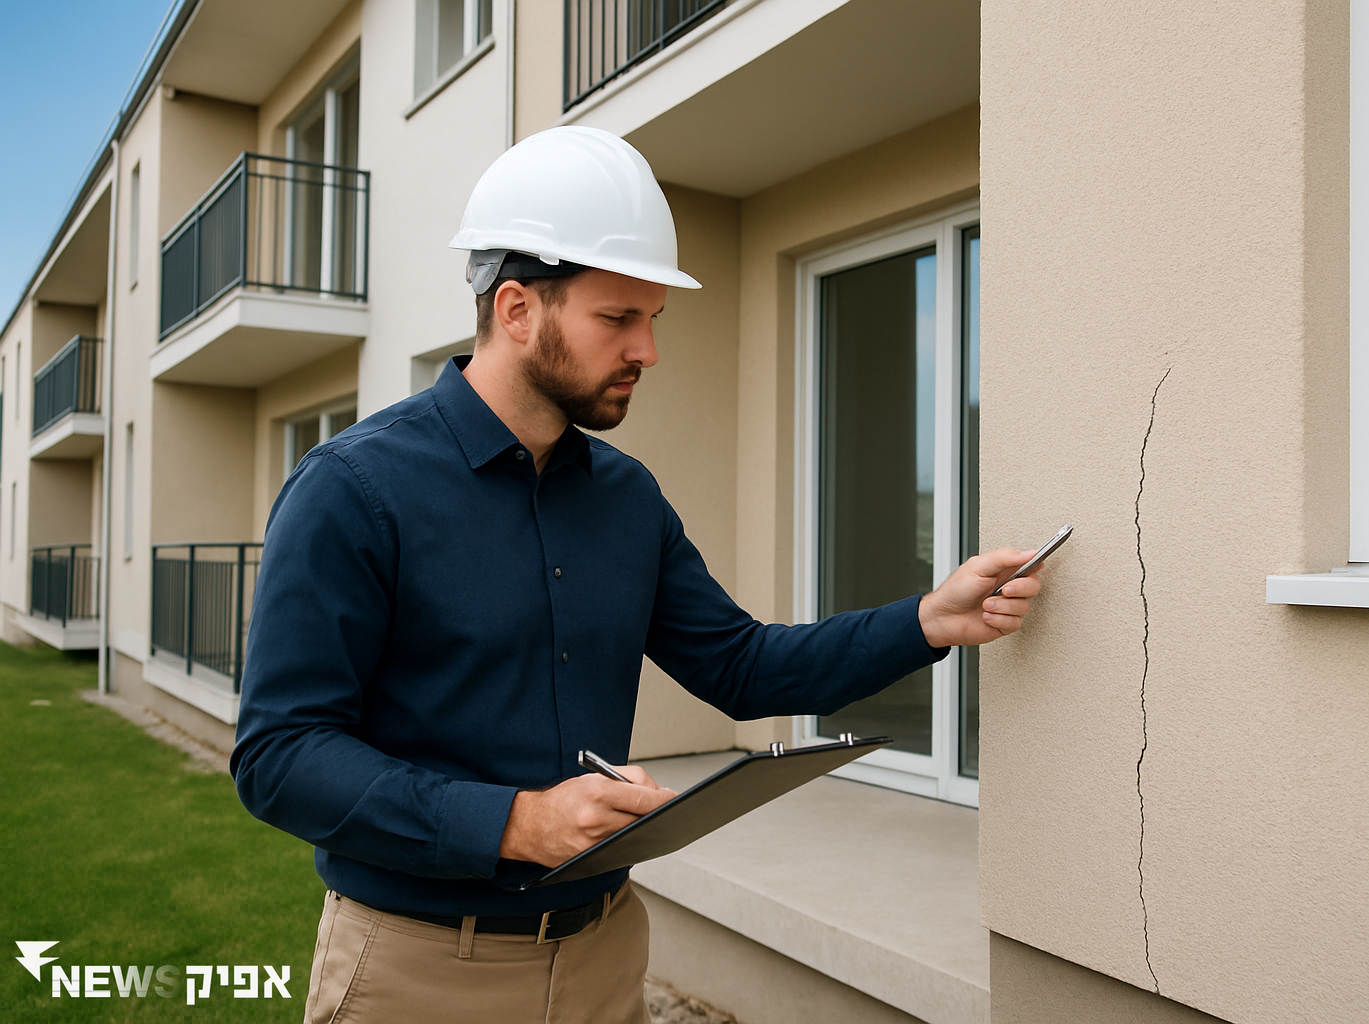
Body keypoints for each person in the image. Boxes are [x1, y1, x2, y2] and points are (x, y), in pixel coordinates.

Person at [231, 126, 1042, 1024]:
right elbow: (281, 755)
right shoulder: (354, 490)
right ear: (516, 309)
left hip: (605, 957)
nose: (647, 351)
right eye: (618, 319)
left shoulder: (626, 498)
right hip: (420, 972)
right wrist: (517, 823)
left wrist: (930, 620)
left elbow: (743, 668)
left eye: (653, 318)